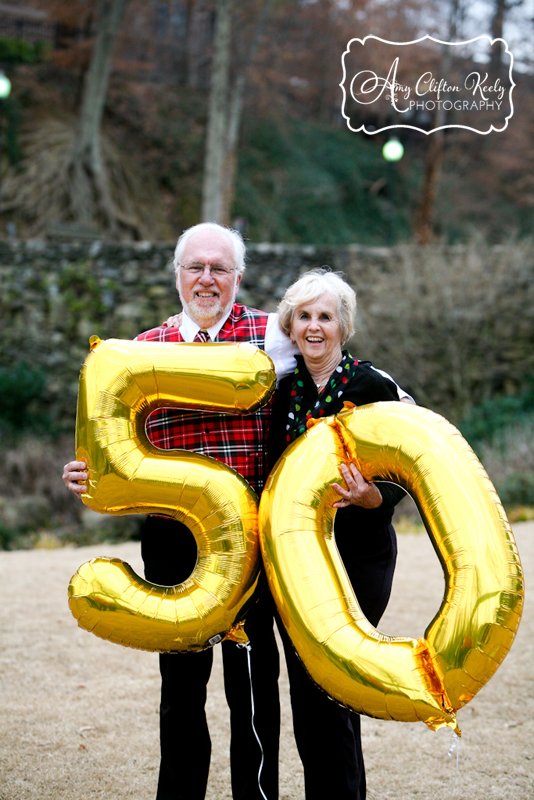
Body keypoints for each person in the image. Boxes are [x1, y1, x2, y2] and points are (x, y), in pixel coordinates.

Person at [63, 222, 297, 800]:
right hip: (173, 539)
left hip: (252, 539)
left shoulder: (273, 336)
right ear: (177, 275)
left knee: (252, 687)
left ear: (238, 276)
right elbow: (111, 447)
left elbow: (337, 378)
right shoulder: (139, 352)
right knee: (182, 689)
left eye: (220, 268)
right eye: (196, 267)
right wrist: (85, 472)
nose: (207, 279)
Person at [268, 268, 408, 800]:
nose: (313, 327)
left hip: (359, 560)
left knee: (335, 691)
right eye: (303, 316)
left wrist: (374, 498)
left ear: (343, 327)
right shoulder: (282, 392)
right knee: (306, 696)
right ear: (290, 325)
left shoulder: (372, 386)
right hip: (298, 563)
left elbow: (412, 467)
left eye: (325, 316)